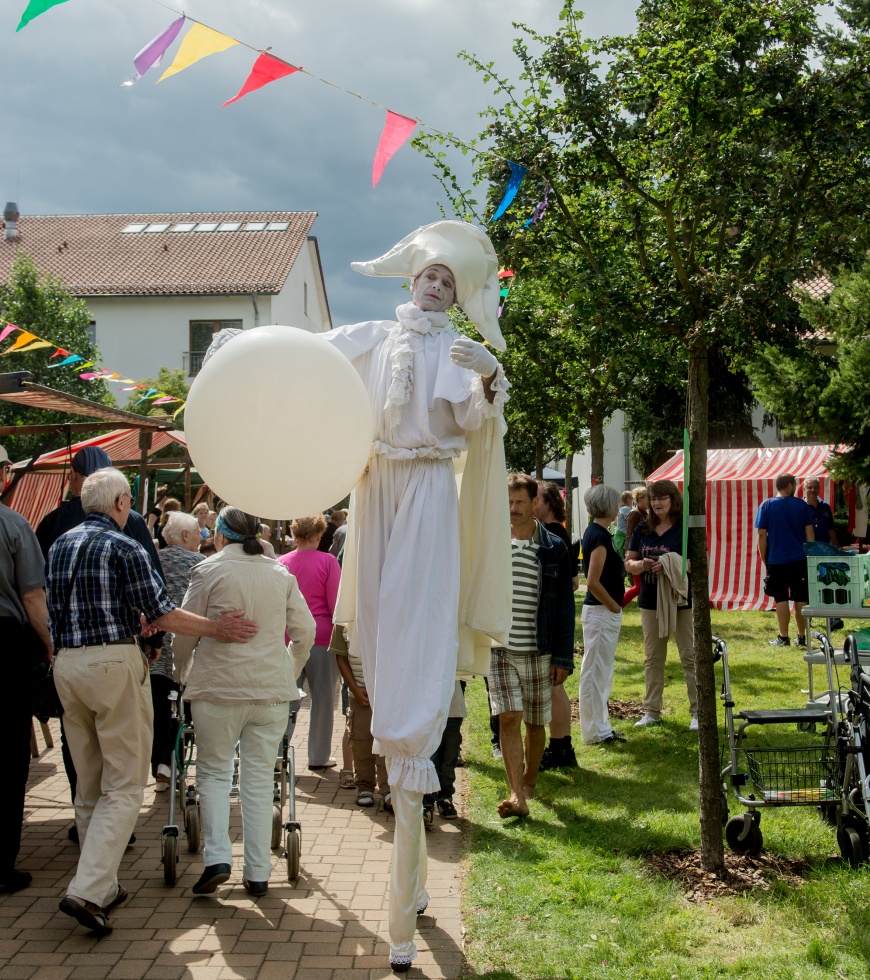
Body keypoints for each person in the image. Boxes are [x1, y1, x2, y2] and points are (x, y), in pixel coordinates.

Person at [322, 220, 511, 971]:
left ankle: (409, 753)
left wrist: (490, 374)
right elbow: (313, 366)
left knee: (420, 617)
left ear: (456, 295)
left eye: (449, 282)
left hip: (430, 483)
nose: (436, 287)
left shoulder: (456, 350)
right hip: (376, 485)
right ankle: (398, 753)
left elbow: (473, 421)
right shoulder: (369, 334)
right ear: (411, 280)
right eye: (428, 276)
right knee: (377, 621)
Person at [48, 469, 259, 934]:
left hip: (67, 665)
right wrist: (215, 629)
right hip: (112, 665)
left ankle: (99, 885)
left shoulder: (61, 543)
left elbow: (59, 607)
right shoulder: (125, 546)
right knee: (124, 784)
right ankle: (86, 890)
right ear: (122, 502)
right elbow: (163, 612)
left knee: (89, 782)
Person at [174, 507, 315, 898]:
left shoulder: (209, 570)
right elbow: (306, 630)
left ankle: (218, 857)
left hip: (217, 688)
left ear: (219, 535)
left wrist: (181, 671)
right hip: (270, 690)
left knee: (215, 774)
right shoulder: (279, 573)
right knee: (257, 780)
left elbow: (185, 632)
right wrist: (289, 667)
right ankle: (258, 872)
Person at [36, 445, 166, 840]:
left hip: (67, 659)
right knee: (122, 758)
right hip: (116, 653)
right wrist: (156, 637)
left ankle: (88, 831)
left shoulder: (54, 529)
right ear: (120, 497)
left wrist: (52, 647)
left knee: (81, 752)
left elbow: (38, 593)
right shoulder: (131, 529)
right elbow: (153, 589)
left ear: (77, 478)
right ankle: (109, 844)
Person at [490, 473, 575, 819]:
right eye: (507, 502)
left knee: (535, 725)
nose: (512, 509)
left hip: (539, 649)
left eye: (519, 502)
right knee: (508, 716)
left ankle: (528, 782)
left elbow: (566, 606)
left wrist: (563, 656)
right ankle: (516, 794)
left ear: (533, 502)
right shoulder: (493, 543)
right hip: (500, 647)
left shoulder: (553, 547)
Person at [0, 444, 54, 894]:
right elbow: (34, 597)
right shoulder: (14, 525)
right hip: (5, 647)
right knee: (8, 755)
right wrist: (51, 644)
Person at [624, 479, 698, 729]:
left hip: (680, 601)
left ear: (672, 500)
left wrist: (668, 564)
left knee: (689, 656)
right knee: (653, 658)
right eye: (653, 498)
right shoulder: (642, 529)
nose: (656, 503)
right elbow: (629, 562)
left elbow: (696, 563)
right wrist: (641, 565)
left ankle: (697, 713)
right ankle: (652, 712)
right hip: (650, 602)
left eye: (661, 498)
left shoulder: (684, 529)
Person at [279, 514, 342, 770]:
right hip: (321, 637)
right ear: (319, 535)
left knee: (284, 699)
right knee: (323, 699)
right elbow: (335, 604)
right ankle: (318, 756)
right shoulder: (328, 562)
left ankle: (277, 752)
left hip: (287, 638)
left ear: (294, 535)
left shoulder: (280, 563)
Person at [150, 511, 205, 791]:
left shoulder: (151, 560)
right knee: (185, 710)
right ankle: (174, 762)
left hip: (153, 649)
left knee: (158, 709)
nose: (201, 536)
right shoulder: (200, 564)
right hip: (188, 649)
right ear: (185, 536)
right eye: (198, 531)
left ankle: (161, 764)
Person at [534, 480, 580, 771]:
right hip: (552, 619)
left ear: (548, 502)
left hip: (551, 621)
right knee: (554, 687)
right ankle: (561, 747)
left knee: (553, 687)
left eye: (534, 497)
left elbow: (569, 584)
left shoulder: (552, 535)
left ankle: (561, 747)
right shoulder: (556, 532)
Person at [578, 485, 625, 745]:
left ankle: (601, 727)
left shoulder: (598, 533)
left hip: (602, 612)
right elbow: (592, 581)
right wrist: (614, 606)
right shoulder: (599, 536)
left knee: (601, 672)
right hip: (601, 611)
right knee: (595, 672)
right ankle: (594, 731)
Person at [332, 624, 390, 809]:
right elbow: (340, 656)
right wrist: (355, 690)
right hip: (360, 694)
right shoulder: (344, 618)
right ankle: (365, 786)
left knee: (386, 741)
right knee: (360, 741)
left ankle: (388, 788)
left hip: (387, 694)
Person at [754, 473, 815, 647]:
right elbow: (810, 534)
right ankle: (802, 636)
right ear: (789, 485)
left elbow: (761, 535)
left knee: (781, 598)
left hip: (776, 560)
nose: (796, 487)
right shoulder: (802, 505)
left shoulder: (766, 505)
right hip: (799, 559)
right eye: (794, 484)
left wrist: (764, 556)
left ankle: (783, 637)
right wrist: (809, 556)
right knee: (801, 597)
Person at [422, 681, 466, 826]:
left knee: (449, 755)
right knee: (429, 756)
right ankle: (427, 802)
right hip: (426, 704)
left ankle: (445, 798)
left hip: (452, 704)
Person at [622, 486, 650, 608]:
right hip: (635, 554)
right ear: (639, 499)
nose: (649, 501)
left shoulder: (644, 513)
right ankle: (618, 606)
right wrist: (632, 553)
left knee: (642, 585)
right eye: (646, 498)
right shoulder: (635, 513)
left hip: (641, 553)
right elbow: (630, 535)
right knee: (638, 587)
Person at [804, 478, 839, 547]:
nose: (813, 490)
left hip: (824, 549)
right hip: (806, 550)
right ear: (804, 489)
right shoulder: (800, 507)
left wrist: (836, 548)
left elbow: (831, 529)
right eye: (810, 487)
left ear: (819, 488)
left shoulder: (825, 507)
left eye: (815, 487)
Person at [613, 490, 634, 558]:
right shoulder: (626, 509)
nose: (632, 500)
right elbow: (631, 521)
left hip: (620, 532)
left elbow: (615, 523)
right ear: (627, 499)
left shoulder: (621, 508)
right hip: (622, 534)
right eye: (631, 498)